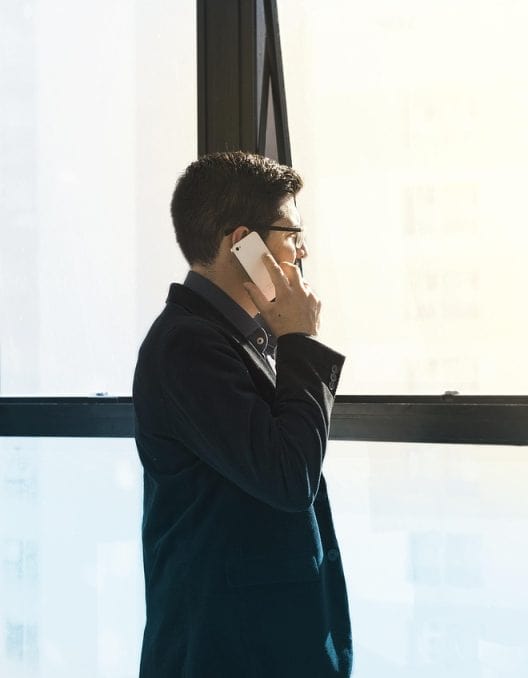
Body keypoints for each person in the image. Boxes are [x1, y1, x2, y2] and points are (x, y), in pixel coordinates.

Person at [133, 151, 352, 676]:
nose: (302, 250)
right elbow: (287, 474)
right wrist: (299, 338)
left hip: (252, 642)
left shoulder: (233, 339)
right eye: (290, 232)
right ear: (243, 245)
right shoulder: (186, 346)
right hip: (225, 650)